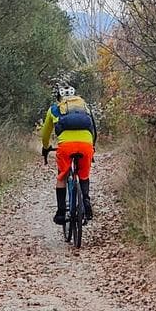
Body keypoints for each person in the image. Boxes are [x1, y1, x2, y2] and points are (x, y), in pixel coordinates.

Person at [40, 84, 97, 225]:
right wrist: (92, 146)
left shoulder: (54, 109)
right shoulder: (85, 107)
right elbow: (93, 129)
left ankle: (60, 213)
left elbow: (45, 133)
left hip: (65, 147)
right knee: (84, 175)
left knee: (62, 176)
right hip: (86, 145)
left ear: (60, 98)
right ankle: (86, 200)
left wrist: (46, 147)